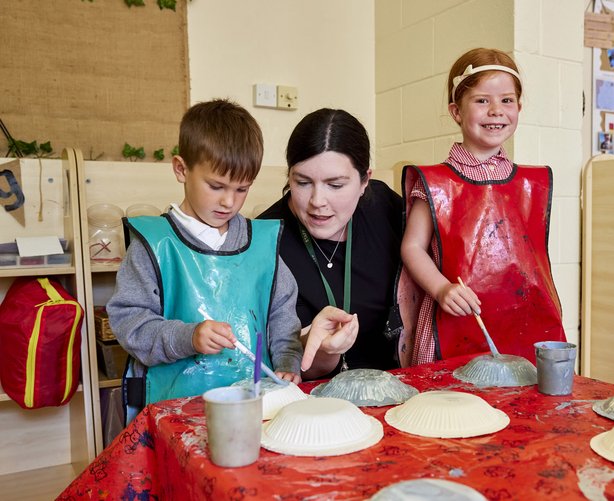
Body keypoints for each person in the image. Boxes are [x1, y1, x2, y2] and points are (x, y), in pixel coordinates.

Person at [108, 99, 302, 420]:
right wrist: (189, 337)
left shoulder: (262, 244)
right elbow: (131, 324)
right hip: (173, 413)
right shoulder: (155, 244)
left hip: (255, 410)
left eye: (242, 189)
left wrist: (287, 364)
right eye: (216, 186)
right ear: (181, 169)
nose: (229, 201)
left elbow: (282, 315)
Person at [398, 48, 565, 366]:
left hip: (521, 325)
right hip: (455, 319)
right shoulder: (435, 182)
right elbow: (412, 247)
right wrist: (442, 289)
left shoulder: (533, 183)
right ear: (456, 111)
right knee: (451, 397)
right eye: (482, 100)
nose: (496, 111)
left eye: (507, 100)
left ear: (519, 108)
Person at [259, 108, 403, 380]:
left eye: (335, 185)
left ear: (365, 181)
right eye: (302, 182)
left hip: (399, 383)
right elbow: (286, 364)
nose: (317, 201)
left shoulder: (384, 207)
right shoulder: (266, 240)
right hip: (315, 396)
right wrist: (324, 350)